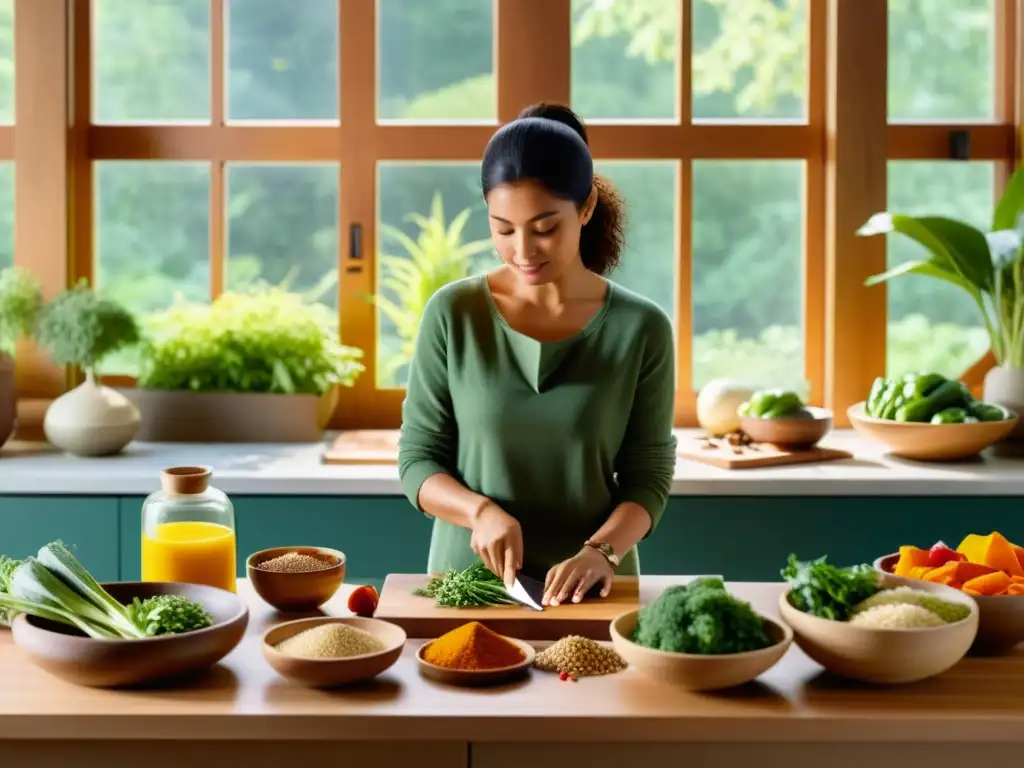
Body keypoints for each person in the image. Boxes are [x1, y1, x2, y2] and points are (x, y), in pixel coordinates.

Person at [397, 102, 677, 607]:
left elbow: (649, 475)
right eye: (503, 229)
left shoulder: (643, 329)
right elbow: (418, 460)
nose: (523, 250)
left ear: (586, 207)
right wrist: (478, 511)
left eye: (544, 228)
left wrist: (601, 552)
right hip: (467, 592)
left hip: (594, 590)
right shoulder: (453, 314)